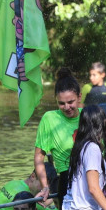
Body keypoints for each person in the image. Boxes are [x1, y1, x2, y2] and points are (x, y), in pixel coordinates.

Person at [34, 68, 82, 203]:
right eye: (61, 103)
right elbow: (39, 157)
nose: (67, 107)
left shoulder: (89, 116)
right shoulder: (49, 119)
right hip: (66, 182)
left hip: (91, 180)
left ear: (79, 97)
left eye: (71, 102)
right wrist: (45, 187)